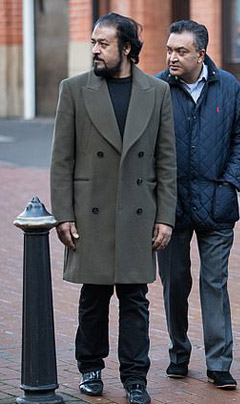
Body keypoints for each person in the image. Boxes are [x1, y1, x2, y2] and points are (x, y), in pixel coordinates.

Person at [50, 13, 177, 404]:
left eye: (103, 43)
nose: (95, 50)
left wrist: (165, 216)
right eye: (93, 42)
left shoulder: (156, 92)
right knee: (94, 296)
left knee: (135, 299)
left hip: (138, 211)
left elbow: (166, 161)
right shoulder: (74, 89)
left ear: (126, 48)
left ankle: (135, 378)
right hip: (93, 211)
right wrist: (63, 214)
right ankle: (90, 368)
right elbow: (61, 160)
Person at [155, 20, 240, 389]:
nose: (172, 57)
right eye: (169, 50)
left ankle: (219, 363)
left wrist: (230, 185)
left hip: (217, 204)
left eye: (181, 51)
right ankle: (179, 353)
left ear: (201, 54)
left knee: (215, 283)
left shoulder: (228, 87)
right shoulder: (157, 89)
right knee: (174, 283)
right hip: (171, 208)